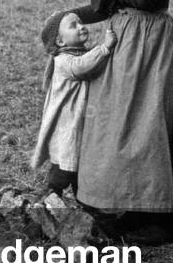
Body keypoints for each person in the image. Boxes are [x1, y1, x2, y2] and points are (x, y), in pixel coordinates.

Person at [72, 0, 173, 245]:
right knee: (121, 121)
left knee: (146, 123)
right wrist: (65, 15)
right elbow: (101, 4)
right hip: (125, 40)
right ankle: (136, 205)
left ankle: (165, 220)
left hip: (150, 41)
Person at [31, 10, 117, 198]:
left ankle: (83, 196)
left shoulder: (78, 53)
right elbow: (82, 66)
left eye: (80, 22)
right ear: (60, 42)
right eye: (73, 25)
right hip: (69, 121)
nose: (81, 26)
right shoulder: (63, 60)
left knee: (80, 160)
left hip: (81, 116)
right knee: (66, 160)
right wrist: (105, 48)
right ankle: (52, 193)